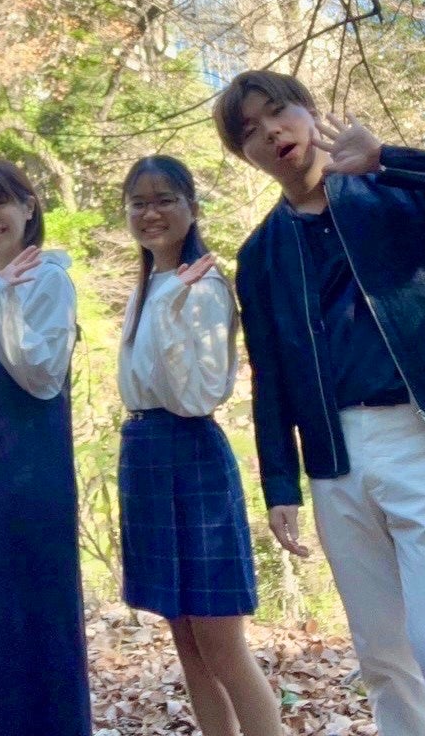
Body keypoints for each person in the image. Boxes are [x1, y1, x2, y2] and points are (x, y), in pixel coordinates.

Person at [213, 69, 425, 736]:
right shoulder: (261, 254)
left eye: (279, 111)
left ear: (308, 111)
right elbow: (271, 376)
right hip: (336, 460)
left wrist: (390, 157)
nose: (272, 132)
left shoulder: (390, 189)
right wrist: (280, 485)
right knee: (385, 659)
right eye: (249, 131)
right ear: (244, 155)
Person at [116, 155, 282, 736]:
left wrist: (169, 310)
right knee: (186, 641)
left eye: (165, 200)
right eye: (139, 203)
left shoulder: (204, 286)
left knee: (220, 640)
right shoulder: (149, 285)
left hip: (189, 454)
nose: (151, 213)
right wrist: (162, 305)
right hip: (145, 452)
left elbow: (196, 396)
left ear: (192, 208)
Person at [0, 159, 91, 736]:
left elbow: (41, 374)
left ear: (29, 206)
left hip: (34, 465)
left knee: (38, 595)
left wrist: (1, 298)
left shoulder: (49, 279)